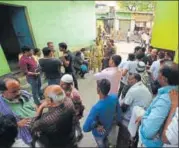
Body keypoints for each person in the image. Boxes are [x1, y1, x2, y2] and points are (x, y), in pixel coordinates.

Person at [137, 61, 179, 147]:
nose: (156, 73)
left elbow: (148, 132)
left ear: (164, 78)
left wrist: (144, 119)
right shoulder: (173, 93)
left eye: (159, 71)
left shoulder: (165, 99)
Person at [83, 79, 120, 148]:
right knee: (106, 139)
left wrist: (96, 124)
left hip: (99, 133)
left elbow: (85, 128)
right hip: (109, 128)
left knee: (101, 143)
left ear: (98, 90)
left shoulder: (96, 108)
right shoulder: (114, 97)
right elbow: (118, 113)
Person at [0, 76, 37, 145]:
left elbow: (33, 105)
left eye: (19, 89)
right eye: (14, 92)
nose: (18, 93)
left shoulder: (25, 94)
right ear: (3, 92)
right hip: (23, 138)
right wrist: (16, 124)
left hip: (37, 130)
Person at [60, 74, 84, 142]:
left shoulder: (74, 94)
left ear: (68, 84)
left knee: (74, 125)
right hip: (67, 113)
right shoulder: (64, 89)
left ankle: (78, 135)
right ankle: (79, 133)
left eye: (62, 84)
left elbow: (78, 106)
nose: (60, 85)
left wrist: (77, 115)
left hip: (73, 114)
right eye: (60, 83)